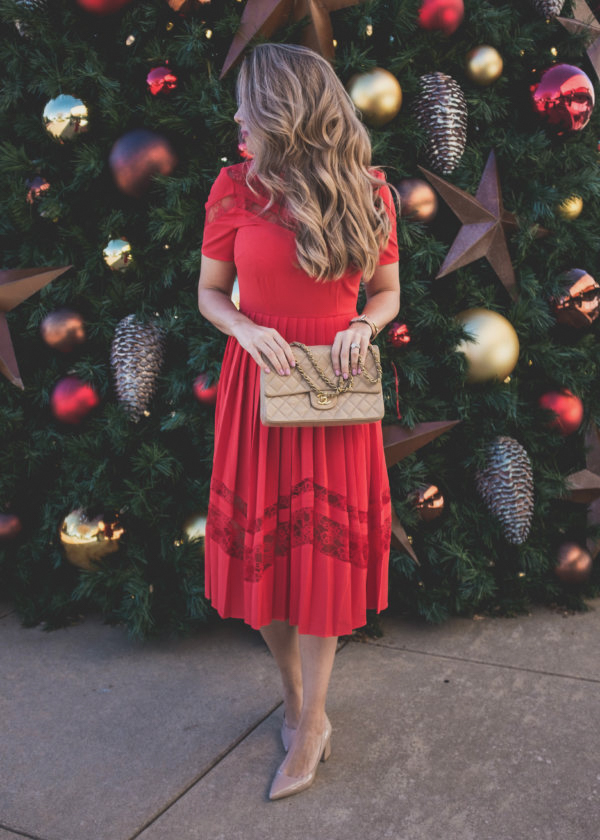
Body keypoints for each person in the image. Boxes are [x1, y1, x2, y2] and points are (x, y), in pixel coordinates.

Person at [197, 42, 400, 801]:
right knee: (264, 561)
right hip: (259, 387)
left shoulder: (366, 190)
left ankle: (311, 721)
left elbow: (386, 294)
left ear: (283, 109)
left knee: (323, 570)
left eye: (248, 102)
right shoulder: (233, 189)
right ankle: (293, 698)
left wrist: (363, 328)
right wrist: (244, 329)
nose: (237, 116)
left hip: (335, 393)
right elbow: (210, 293)